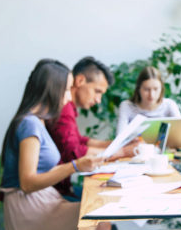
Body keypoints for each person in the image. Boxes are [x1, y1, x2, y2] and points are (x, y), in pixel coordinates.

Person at [0, 59, 102, 230]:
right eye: (65, 89)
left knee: (97, 215)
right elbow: (28, 182)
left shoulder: (35, 122)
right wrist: (74, 166)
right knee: (98, 219)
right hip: (29, 211)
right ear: (52, 89)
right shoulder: (30, 125)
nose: (68, 97)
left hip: (38, 205)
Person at [47, 56, 137, 197]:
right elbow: (73, 151)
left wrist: (114, 144)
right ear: (80, 80)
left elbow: (79, 140)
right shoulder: (64, 107)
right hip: (54, 193)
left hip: (60, 188)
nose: (98, 100)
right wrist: (122, 152)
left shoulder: (69, 108)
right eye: (97, 91)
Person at [116, 66, 181, 134]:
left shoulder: (169, 105)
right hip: (135, 144)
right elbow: (120, 137)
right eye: (146, 89)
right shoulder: (127, 106)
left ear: (161, 88)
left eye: (156, 89)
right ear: (139, 89)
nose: (151, 95)